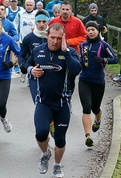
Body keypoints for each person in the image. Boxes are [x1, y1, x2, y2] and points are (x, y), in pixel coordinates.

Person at [25, 23, 81, 178]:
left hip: (62, 103)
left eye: (59, 38)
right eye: (53, 37)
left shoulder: (69, 52)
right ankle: (45, 153)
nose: (55, 41)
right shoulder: (38, 50)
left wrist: (66, 52)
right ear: (47, 36)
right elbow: (26, 64)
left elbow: (77, 70)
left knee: (60, 139)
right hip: (43, 102)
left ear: (63, 38)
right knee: (41, 133)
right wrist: (31, 70)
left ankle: (57, 165)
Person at [78, 21, 118, 147]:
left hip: (98, 81)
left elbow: (115, 59)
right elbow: (81, 59)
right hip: (84, 80)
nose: (90, 32)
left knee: (95, 108)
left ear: (97, 31)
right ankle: (88, 136)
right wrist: (78, 63)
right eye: (88, 30)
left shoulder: (103, 45)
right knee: (86, 107)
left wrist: (104, 60)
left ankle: (98, 119)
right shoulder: (83, 45)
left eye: (93, 30)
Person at [18, 10, 49, 97]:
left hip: (51, 73)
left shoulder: (53, 37)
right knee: (37, 101)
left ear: (48, 22)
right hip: (34, 73)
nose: (41, 24)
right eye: (39, 21)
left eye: (44, 21)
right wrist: (22, 65)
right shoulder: (29, 38)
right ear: (35, 22)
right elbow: (21, 55)